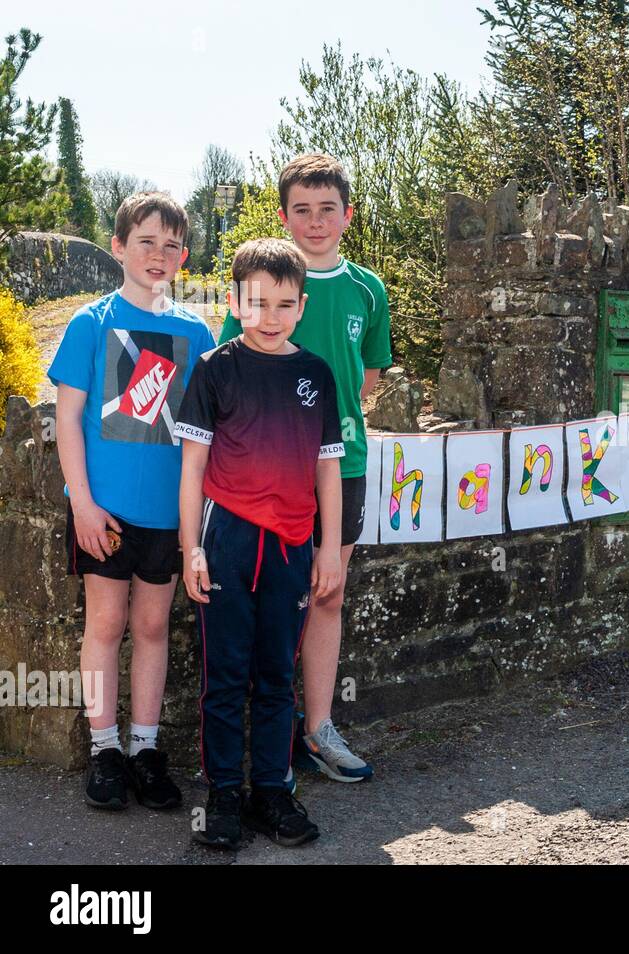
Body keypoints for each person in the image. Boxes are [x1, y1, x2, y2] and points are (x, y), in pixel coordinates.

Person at [217, 153, 390, 782]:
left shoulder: (368, 289)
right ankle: (269, 739)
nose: (315, 221)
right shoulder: (263, 287)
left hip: (341, 465)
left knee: (327, 591)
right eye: (301, 209)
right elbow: (232, 370)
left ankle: (317, 729)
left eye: (327, 209)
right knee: (267, 598)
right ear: (285, 216)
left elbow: (366, 380)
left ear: (346, 215)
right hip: (265, 471)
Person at [48, 192, 214, 811]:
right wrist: (83, 504)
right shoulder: (90, 323)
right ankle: (105, 748)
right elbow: (68, 422)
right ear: (118, 247)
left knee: (151, 627)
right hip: (104, 511)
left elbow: (203, 431)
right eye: (145, 241)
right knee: (106, 625)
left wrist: (192, 524)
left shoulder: (197, 332)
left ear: (184, 257)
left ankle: (145, 749)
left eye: (172, 245)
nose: (158, 254)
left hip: (169, 516)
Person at [177, 238, 344, 849]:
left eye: (283, 304)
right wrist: (190, 549)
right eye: (257, 303)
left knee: (276, 673)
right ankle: (224, 793)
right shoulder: (216, 369)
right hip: (227, 540)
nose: (270, 317)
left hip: (292, 546)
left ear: (301, 306)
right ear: (235, 301)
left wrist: (328, 548)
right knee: (224, 674)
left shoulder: (316, 375)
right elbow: (193, 468)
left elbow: (328, 468)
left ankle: (271, 792)